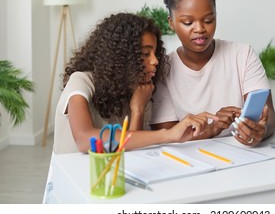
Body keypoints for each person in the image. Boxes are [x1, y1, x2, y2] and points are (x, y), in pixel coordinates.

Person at [53, 12, 217, 154]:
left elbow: (129, 150)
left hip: (109, 179)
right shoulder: (81, 81)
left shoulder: (141, 92)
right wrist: (169, 134)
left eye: (155, 53)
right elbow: (84, 139)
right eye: (145, 54)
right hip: (74, 178)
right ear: (121, 57)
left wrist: (137, 109)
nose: (155, 61)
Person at [150, 0, 275, 146]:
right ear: (171, 23)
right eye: (188, 22)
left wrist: (260, 130)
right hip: (190, 164)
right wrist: (212, 128)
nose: (200, 29)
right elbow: (167, 136)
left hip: (243, 156)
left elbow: (269, 117)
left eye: (208, 20)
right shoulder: (164, 69)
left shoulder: (242, 55)